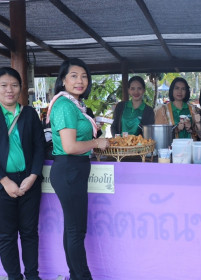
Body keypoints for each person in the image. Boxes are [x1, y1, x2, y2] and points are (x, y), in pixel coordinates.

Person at [46, 58, 109, 280]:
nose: (80, 80)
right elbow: (69, 146)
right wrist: (96, 143)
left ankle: (75, 276)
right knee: (76, 231)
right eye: (73, 76)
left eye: (84, 76)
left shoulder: (75, 105)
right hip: (69, 170)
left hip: (74, 170)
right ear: (63, 80)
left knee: (72, 229)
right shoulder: (64, 105)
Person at [0, 67, 45, 280]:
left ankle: (32, 276)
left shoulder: (29, 113)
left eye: (14, 85)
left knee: (29, 233)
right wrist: (4, 180)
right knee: (6, 237)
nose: (9, 90)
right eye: (3, 85)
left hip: (29, 182)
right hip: (2, 184)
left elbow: (39, 147)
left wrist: (33, 175)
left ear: (21, 88)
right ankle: (14, 277)